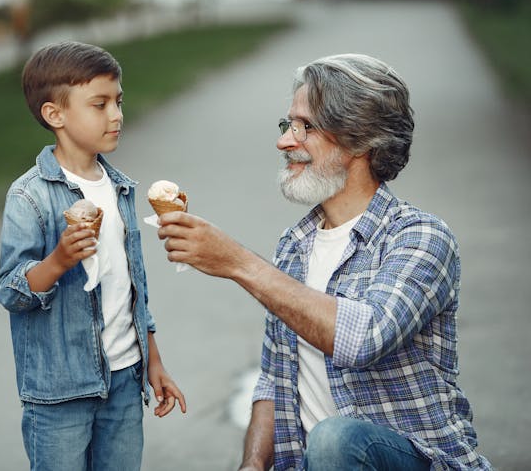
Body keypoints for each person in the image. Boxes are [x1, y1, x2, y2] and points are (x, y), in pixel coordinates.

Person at [156, 54, 491, 470]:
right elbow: (275, 378)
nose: (284, 141)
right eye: (287, 125)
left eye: (306, 127)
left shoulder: (420, 238)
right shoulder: (295, 245)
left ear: (360, 140)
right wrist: (253, 464)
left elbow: (364, 337)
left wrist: (238, 262)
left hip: (417, 460)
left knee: (335, 437)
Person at [0, 41, 186, 471]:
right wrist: (59, 260)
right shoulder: (30, 196)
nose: (117, 115)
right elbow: (10, 290)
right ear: (54, 115)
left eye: (118, 101)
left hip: (124, 379)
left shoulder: (120, 189)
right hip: (60, 392)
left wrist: (154, 361)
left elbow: (132, 288)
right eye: (99, 104)